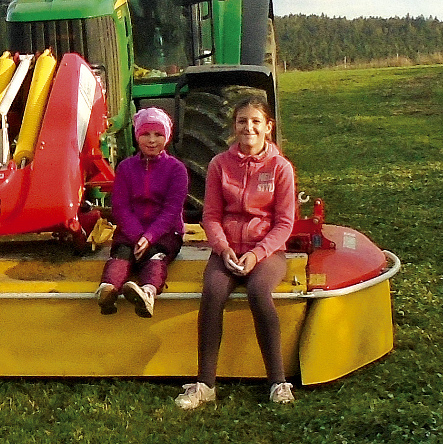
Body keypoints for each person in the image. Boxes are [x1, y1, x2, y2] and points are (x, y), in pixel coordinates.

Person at [176, 95, 297, 408]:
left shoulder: (281, 168)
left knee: (259, 293)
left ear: (268, 128)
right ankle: (205, 384)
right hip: (227, 250)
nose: (249, 128)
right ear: (233, 127)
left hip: (266, 253)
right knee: (213, 292)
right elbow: (211, 216)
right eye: (242, 121)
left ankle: (278, 382)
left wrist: (257, 254)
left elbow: (285, 224)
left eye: (256, 122)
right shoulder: (219, 165)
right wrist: (224, 248)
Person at [95, 107, 188, 318]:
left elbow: (172, 210)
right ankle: (107, 289)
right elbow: (120, 206)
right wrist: (137, 235)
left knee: (156, 256)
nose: (152, 140)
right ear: (137, 136)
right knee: (121, 255)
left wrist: (149, 236)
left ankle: (147, 292)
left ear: (167, 137)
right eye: (146, 134)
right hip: (130, 231)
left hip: (165, 232)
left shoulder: (176, 170)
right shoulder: (126, 168)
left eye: (158, 134)